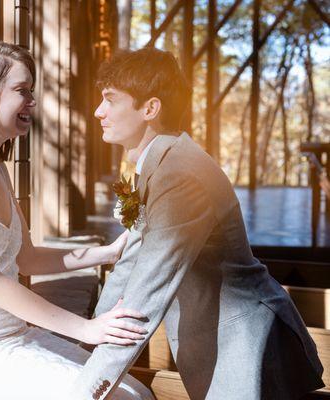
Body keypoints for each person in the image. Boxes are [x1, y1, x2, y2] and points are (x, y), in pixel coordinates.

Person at [73, 47, 324, 400]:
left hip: (247, 351)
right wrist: (81, 346)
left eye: (110, 100)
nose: (99, 111)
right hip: (217, 348)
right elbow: (129, 269)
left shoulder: (180, 175)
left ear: (150, 108)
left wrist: (86, 389)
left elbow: (146, 295)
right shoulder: (159, 164)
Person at [0, 41, 154, 400]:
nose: (32, 101)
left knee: (132, 391)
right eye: (21, 91)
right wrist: (87, 329)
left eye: (32, 91)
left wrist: (107, 252)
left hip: (15, 336)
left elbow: (26, 258)